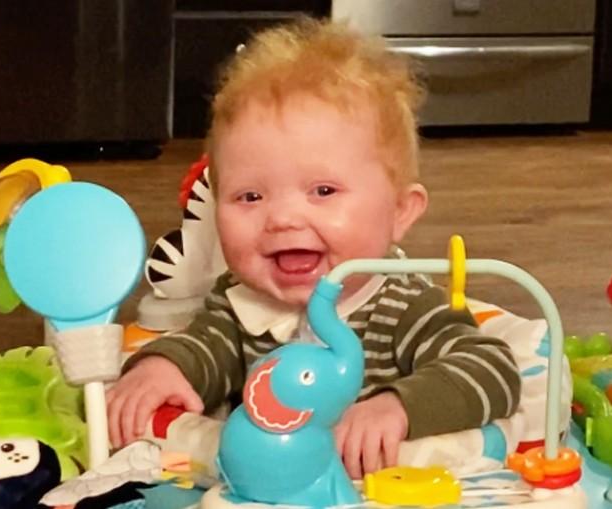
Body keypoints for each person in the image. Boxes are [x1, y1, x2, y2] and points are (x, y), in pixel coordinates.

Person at [106, 17, 523, 480]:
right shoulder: (240, 303)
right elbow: (205, 347)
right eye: (250, 196)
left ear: (400, 212)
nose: (282, 218)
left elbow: (491, 368)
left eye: (323, 191)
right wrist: (164, 366)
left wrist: (398, 407)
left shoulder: (403, 306)